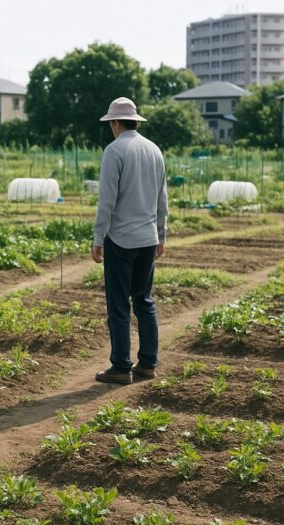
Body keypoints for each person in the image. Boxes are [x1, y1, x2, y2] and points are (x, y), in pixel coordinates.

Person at [91, 97, 168, 385]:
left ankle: (121, 367)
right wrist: (162, 234)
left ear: (114, 123)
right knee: (144, 300)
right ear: (136, 121)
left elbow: (107, 201)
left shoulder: (115, 150)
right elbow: (162, 198)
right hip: (148, 238)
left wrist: (99, 237)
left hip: (121, 239)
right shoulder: (154, 150)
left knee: (119, 305)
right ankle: (147, 363)